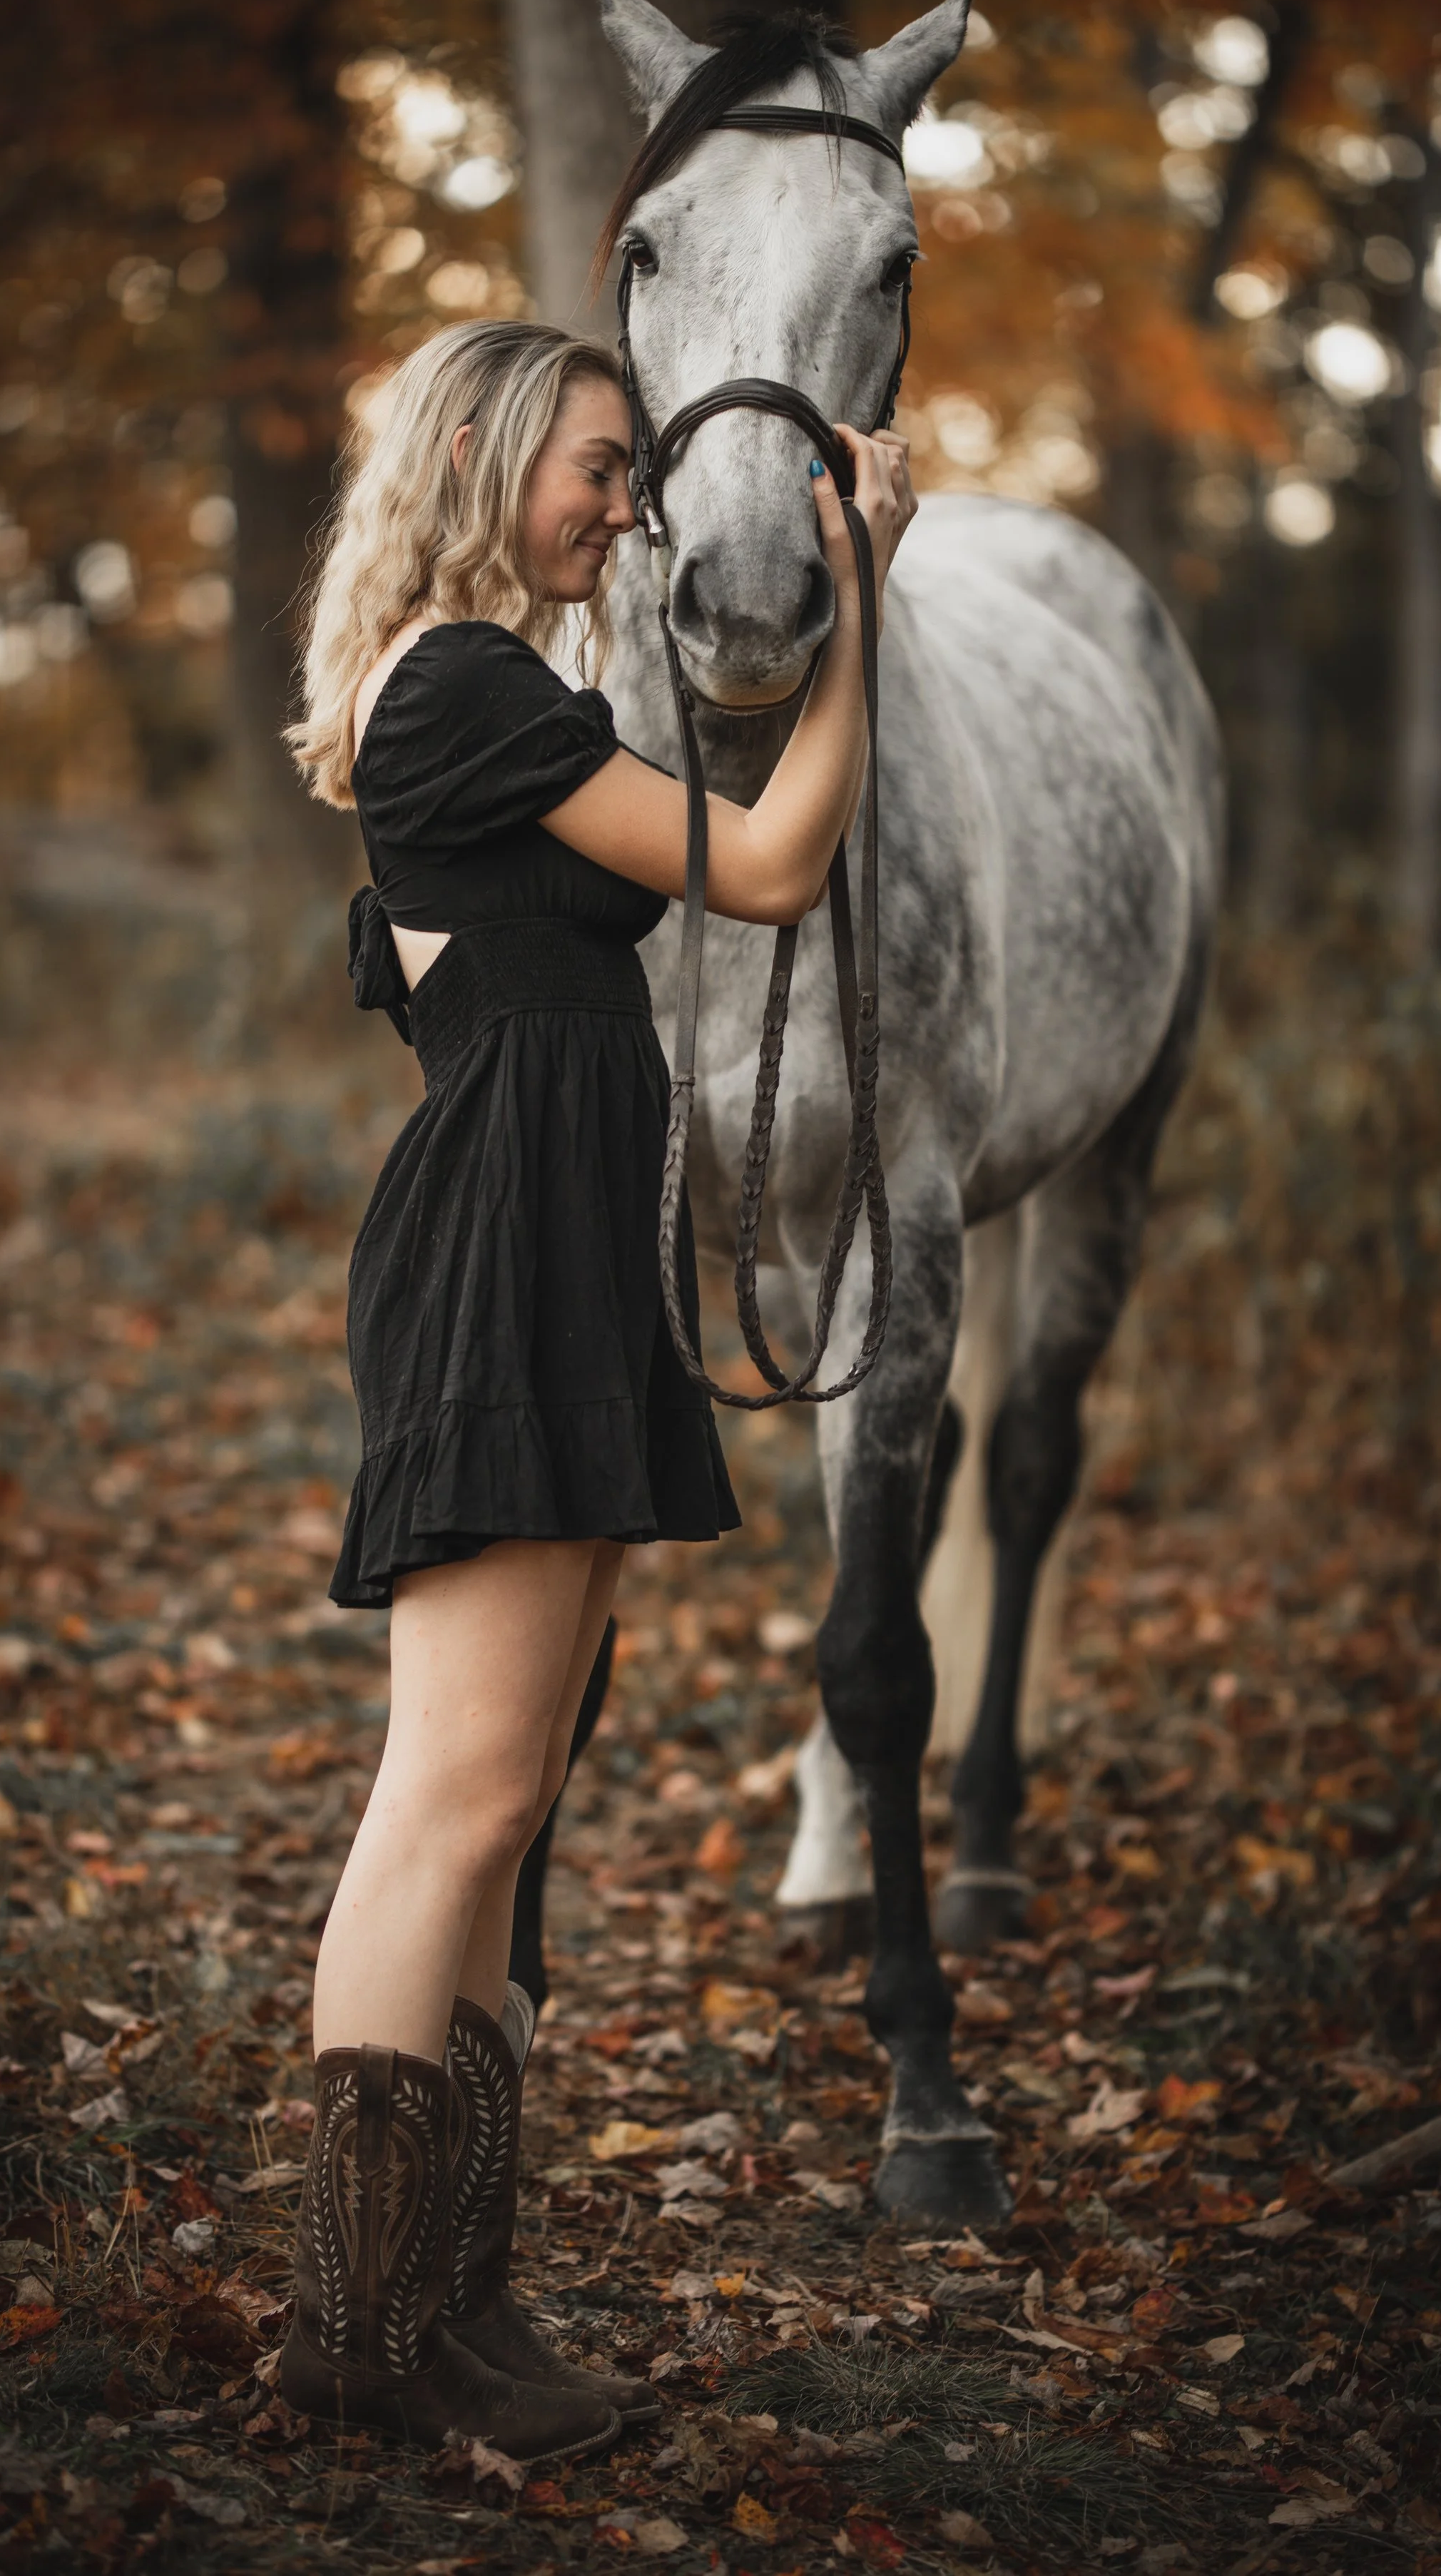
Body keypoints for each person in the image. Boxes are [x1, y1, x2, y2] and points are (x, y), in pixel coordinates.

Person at [280, 317, 912, 2459]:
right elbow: (765, 861)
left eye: (632, 467)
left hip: (555, 1248)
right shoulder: (457, 687)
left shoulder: (492, 689)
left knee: (508, 1803)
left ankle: (448, 2306)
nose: (624, 502)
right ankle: (362, 2336)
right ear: (478, 454)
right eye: (596, 462)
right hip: (502, 1259)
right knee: (449, 1797)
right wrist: (867, 608)